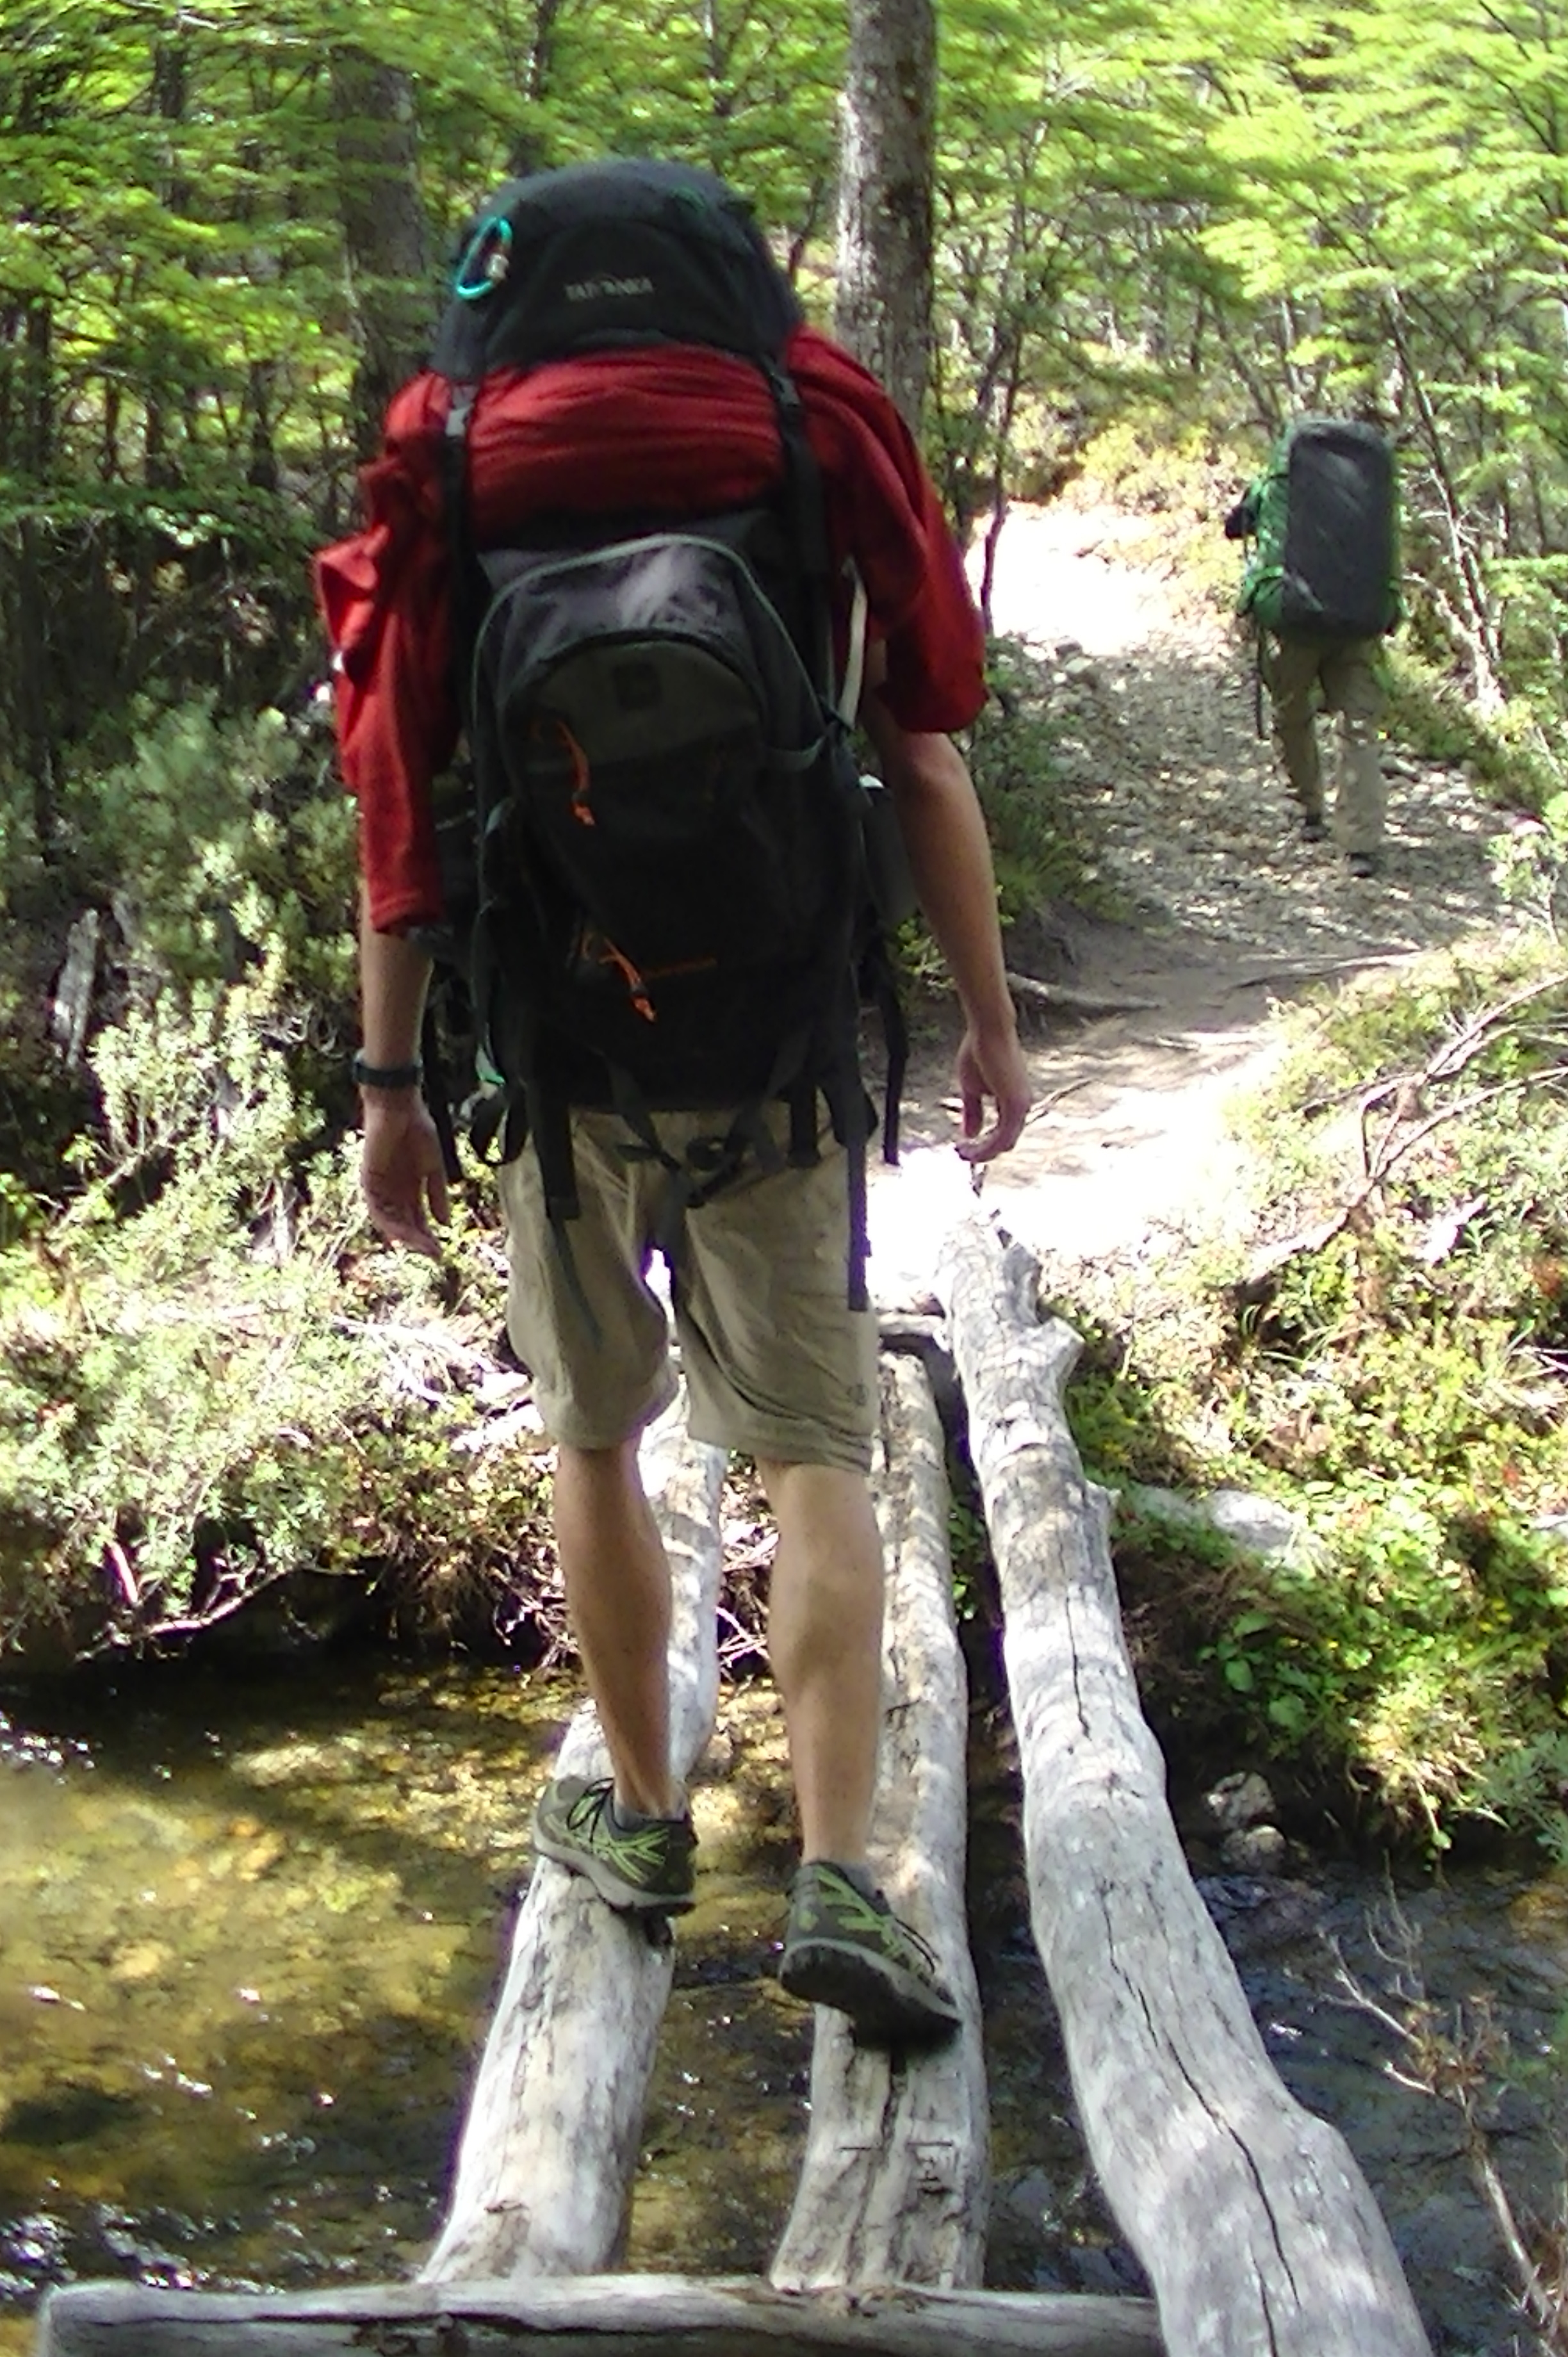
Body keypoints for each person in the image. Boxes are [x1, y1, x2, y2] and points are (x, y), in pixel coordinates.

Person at [315, 166, 1031, 2050]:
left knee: (593, 1432)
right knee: (813, 1447)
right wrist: (987, 1022)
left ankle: (639, 1820)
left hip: (556, 1050)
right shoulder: (808, 421)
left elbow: (400, 814)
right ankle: (839, 1874)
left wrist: (390, 1085)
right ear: (727, 280)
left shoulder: (451, 452)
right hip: (778, 1038)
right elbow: (924, 747)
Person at [1224, 418, 1398, 880]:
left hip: (1295, 620)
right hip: (1358, 622)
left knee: (1291, 711)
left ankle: (1308, 809)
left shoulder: (1279, 478)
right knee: (1358, 728)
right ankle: (1361, 844)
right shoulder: (1372, 481)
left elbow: (1241, 521)